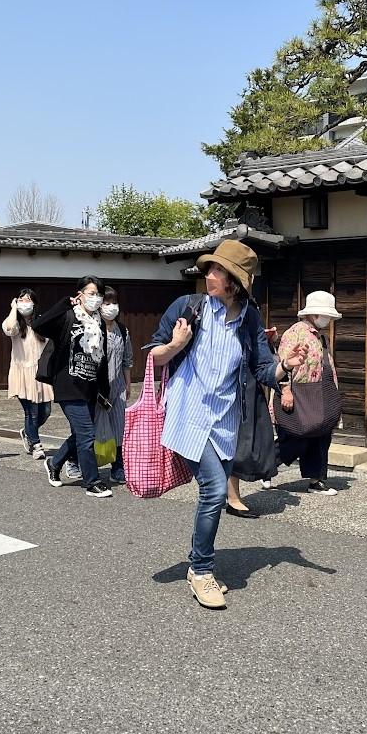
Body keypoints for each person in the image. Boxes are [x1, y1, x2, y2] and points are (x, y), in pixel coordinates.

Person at [149, 239, 307, 610]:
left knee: (213, 495)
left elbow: (262, 369)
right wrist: (175, 343)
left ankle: (199, 562)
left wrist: (286, 366)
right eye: (209, 268)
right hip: (188, 415)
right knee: (215, 489)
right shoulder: (188, 308)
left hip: (224, 421)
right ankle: (201, 570)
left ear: (235, 281)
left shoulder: (249, 318)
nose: (209, 274)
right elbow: (154, 356)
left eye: (217, 270)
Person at [33, 275, 113, 498]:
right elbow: (38, 325)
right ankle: (92, 482)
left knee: (81, 434)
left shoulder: (99, 324)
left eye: (98, 294)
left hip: (89, 387)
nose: (95, 298)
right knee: (87, 435)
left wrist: (104, 391)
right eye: (91, 293)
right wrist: (63, 303)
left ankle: (54, 463)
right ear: (79, 295)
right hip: (68, 384)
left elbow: (101, 360)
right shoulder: (67, 317)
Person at [276, 291, 344, 496]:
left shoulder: (321, 336)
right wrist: (285, 390)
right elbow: (282, 363)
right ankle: (267, 468)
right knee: (294, 437)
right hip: (299, 394)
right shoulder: (294, 333)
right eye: (326, 315)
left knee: (322, 436)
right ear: (313, 314)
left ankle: (317, 480)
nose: (329, 319)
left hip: (320, 393)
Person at [224, 322, 280, 519]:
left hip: (249, 384)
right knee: (237, 441)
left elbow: (264, 362)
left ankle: (228, 494)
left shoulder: (248, 311)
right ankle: (231, 497)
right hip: (230, 386)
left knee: (247, 440)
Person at [3, 288, 52, 460]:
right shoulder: (16, 323)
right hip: (21, 372)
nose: (26, 303)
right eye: (22, 299)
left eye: (29, 299)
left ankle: (28, 432)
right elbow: (9, 328)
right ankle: (37, 445)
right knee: (31, 412)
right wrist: (13, 309)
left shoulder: (41, 322)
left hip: (41, 374)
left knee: (45, 411)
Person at [98, 286, 133, 485]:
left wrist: (128, 384)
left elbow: (127, 359)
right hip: (97, 388)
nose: (111, 307)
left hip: (118, 386)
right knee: (93, 427)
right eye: (107, 303)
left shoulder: (122, 330)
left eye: (114, 303)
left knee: (119, 427)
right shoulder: (93, 328)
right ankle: (77, 460)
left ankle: (117, 466)